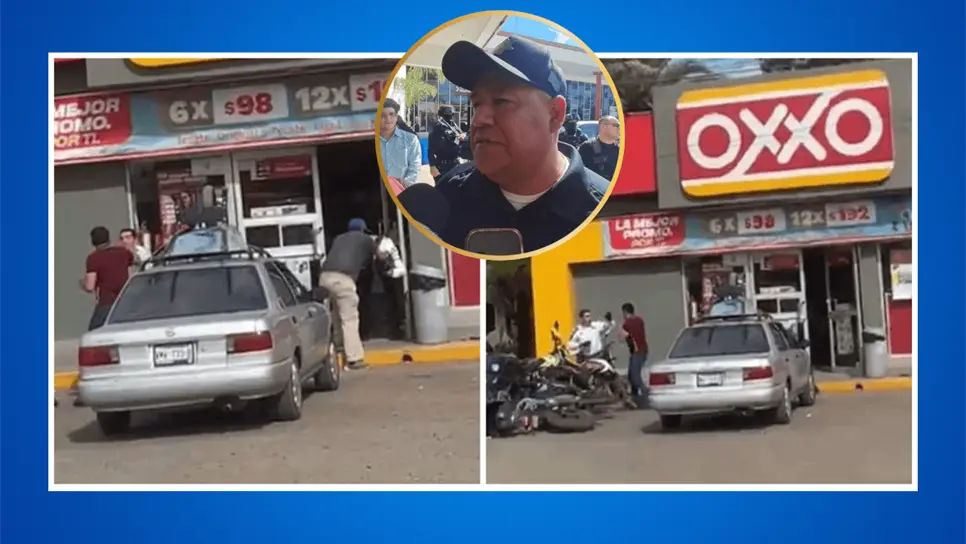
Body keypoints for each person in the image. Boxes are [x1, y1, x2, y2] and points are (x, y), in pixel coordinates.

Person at [433, 36, 609, 254]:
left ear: (555, 114)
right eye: (476, 104)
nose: (478, 120)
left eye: (501, 101)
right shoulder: (448, 196)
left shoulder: (604, 212)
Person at [318, 218, 387, 370]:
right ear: (363, 229)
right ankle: (354, 358)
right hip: (343, 279)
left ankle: (337, 350)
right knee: (349, 318)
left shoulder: (339, 238)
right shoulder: (366, 239)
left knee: (336, 316)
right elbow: (380, 256)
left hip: (324, 277)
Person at [82, 226, 133, 331]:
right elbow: (130, 272)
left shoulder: (93, 258)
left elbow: (90, 286)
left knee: (94, 332)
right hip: (125, 299)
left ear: (93, 241)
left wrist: (82, 283)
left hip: (107, 302)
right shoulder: (124, 253)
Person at [373, 224, 407, 340]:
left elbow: (399, 268)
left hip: (391, 279)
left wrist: (389, 273)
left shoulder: (388, 246)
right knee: (392, 304)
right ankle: (394, 328)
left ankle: (395, 329)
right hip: (387, 279)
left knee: (394, 303)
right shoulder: (382, 246)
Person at [379, 98, 422, 188]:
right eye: (383, 115)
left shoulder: (411, 139)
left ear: (397, 117)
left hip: (402, 191)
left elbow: (414, 167)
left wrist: (403, 184)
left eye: (391, 114)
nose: (388, 119)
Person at [617, 302, 649, 398]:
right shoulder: (639, 320)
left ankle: (646, 394)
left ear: (625, 312)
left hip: (637, 351)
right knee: (631, 376)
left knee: (635, 377)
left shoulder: (627, 323)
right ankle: (635, 396)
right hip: (643, 350)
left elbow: (621, 339)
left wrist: (620, 328)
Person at [428, 105, 466, 181]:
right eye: (451, 114)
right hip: (442, 166)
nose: (452, 117)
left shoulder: (453, 125)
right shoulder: (437, 127)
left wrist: (463, 136)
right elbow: (431, 149)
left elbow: (461, 137)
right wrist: (432, 165)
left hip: (455, 163)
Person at [578, 115, 621, 181]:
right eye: (616, 125)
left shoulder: (620, 149)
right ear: (604, 127)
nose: (619, 128)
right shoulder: (587, 147)